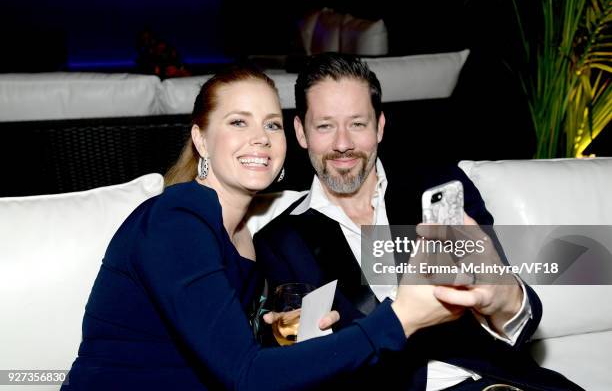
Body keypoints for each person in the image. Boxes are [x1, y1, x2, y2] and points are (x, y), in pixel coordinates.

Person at [62, 66, 471, 390]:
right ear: (201, 140)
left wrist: (269, 331)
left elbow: (223, 347)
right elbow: (248, 376)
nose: (260, 138)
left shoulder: (248, 240)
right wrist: (400, 319)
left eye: (271, 124)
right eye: (239, 122)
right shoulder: (176, 220)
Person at [254, 53, 583, 391]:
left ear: (379, 126)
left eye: (357, 123)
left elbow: (521, 322)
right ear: (301, 132)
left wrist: (504, 296)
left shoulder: (440, 187)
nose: (343, 144)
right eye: (325, 125)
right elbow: (293, 362)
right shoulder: (280, 242)